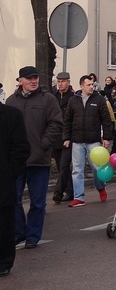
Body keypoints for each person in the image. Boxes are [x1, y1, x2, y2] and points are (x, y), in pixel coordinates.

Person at [6, 66, 63, 249]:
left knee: (37, 202)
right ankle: (19, 231)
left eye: (35, 78)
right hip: (16, 160)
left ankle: (32, 235)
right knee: (13, 198)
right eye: (29, 78)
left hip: (39, 159)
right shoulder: (11, 101)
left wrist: (44, 143)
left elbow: (56, 123)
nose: (33, 81)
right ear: (20, 80)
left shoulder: (48, 99)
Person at [62, 75, 113, 207]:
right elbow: (67, 120)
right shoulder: (74, 100)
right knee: (77, 169)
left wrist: (107, 137)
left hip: (93, 141)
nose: (92, 87)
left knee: (97, 169)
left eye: (92, 84)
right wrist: (66, 137)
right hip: (77, 140)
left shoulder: (99, 99)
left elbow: (106, 120)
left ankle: (101, 188)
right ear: (81, 86)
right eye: (89, 84)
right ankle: (79, 197)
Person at [0, 101, 30, 277]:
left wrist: (9, 174)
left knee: (3, 222)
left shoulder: (12, 115)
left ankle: (4, 261)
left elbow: (21, 148)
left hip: (3, 179)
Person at [52, 71, 74, 204]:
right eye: (59, 81)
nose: (61, 84)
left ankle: (60, 192)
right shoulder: (53, 97)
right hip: (55, 136)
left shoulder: (73, 97)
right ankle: (69, 190)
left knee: (64, 165)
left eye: (63, 81)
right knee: (61, 167)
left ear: (68, 82)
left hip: (68, 136)